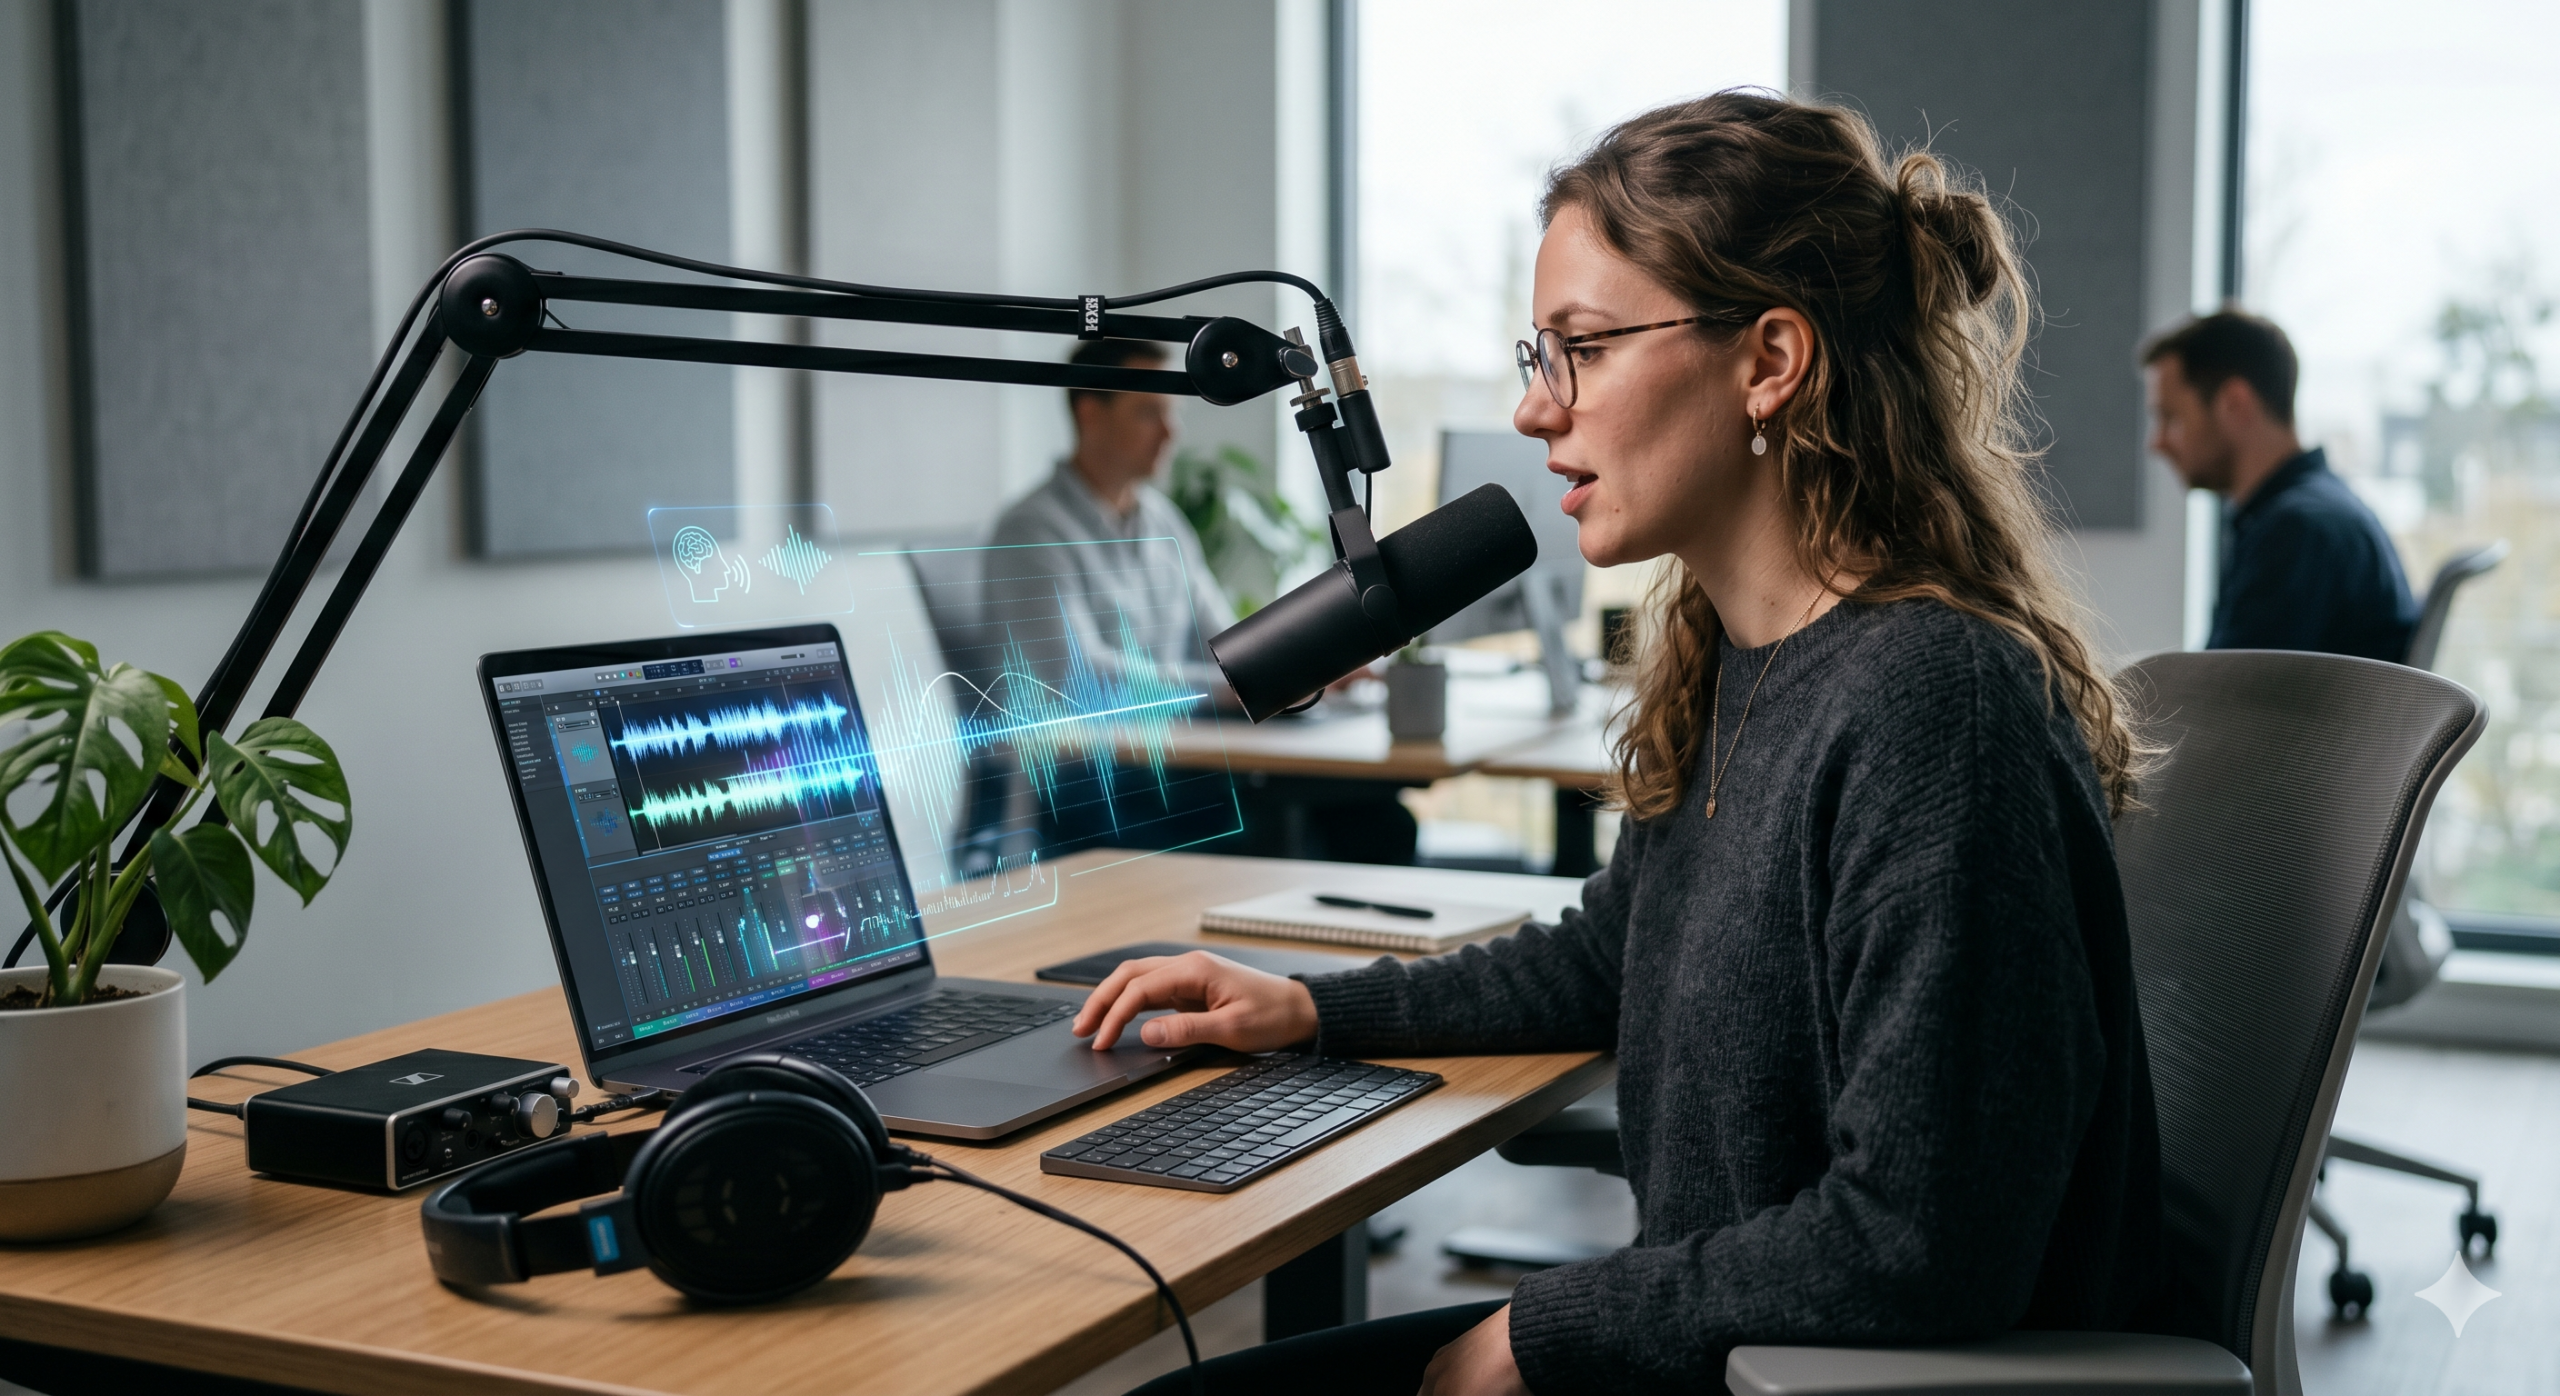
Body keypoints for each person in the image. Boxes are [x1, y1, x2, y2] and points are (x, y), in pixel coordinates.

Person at [1082, 90, 2162, 1396]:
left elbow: (1923, 1243)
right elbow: (1613, 955)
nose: (1540, 412)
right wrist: (1311, 1007)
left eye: (1582, 349)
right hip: (1724, 1350)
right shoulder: (1737, 658)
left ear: (1770, 360)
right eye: (1540, 356)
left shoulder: (1934, 707)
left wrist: (1546, 1329)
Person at [984, 339, 1415, 862]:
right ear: (1089, 414)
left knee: (1377, 817)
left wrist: (1304, 662)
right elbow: (1079, 680)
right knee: (1284, 822)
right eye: (1150, 414)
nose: (1170, 433)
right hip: (1095, 789)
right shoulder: (1031, 532)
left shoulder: (1161, 519)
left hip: (1177, 763)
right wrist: (1242, 685)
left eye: (1172, 414)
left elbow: (1222, 640)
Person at [2141, 310, 2420, 662]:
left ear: (2235, 403)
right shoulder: (2318, 510)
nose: (2157, 442)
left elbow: (2227, 702)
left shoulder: (2297, 532)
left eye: (2171, 418)